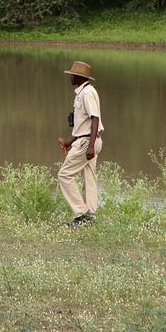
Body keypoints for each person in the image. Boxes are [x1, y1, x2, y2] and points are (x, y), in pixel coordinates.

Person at [58, 60, 103, 226]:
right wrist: (71, 142)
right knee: (89, 177)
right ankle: (90, 216)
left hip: (88, 142)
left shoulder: (87, 93)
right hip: (86, 139)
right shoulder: (82, 92)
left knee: (64, 174)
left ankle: (81, 213)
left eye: (72, 75)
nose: (70, 78)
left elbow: (95, 119)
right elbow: (83, 124)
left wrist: (90, 146)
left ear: (78, 77)